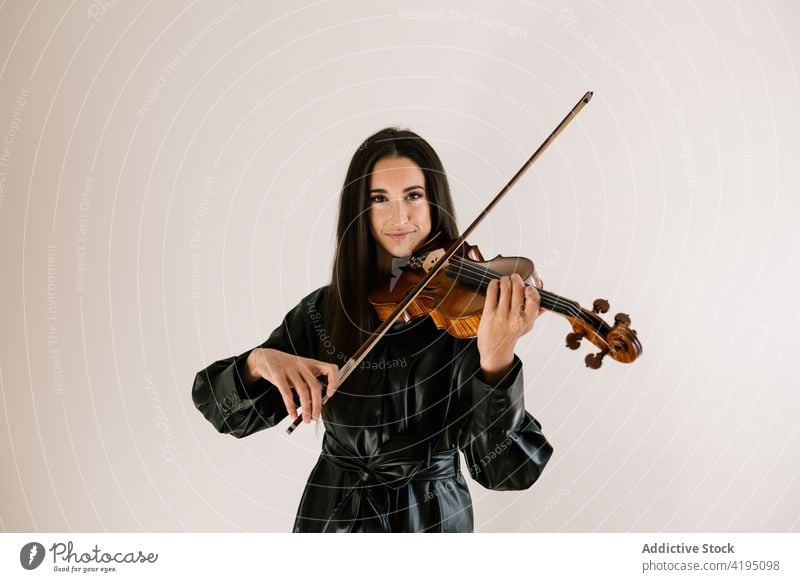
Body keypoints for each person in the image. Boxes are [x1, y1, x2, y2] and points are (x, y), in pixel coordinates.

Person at [191, 127, 553, 532]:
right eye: (380, 199)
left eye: (413, 196)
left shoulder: (469, 318)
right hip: (333, 518)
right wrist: (258, 363)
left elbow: (508, 471)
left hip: (430, 522)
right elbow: (225, 415)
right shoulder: (324, 311)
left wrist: (497, 360)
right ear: (359, 212)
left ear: (434, 203)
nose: (399, 217)